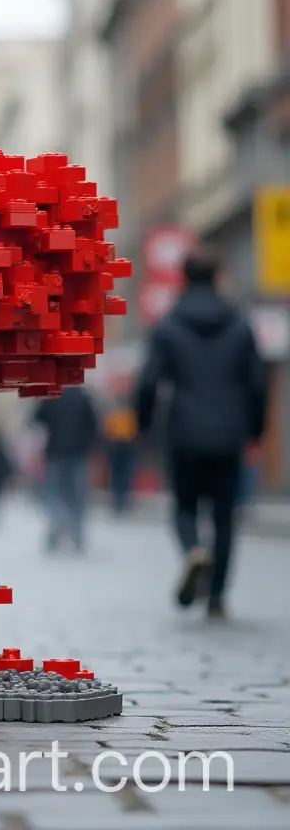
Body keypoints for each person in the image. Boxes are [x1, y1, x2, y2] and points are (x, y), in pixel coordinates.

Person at [135, 248, 267, 620]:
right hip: (229, 432)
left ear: (183, 277)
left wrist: (143, 424)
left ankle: (193, 551)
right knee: (225, 515)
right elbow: (257, 385)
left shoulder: (169, 324)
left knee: (184, 506)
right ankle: (217, 598)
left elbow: (148, 382)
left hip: (184, 431)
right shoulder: (240, 324)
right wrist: (255, 429)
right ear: (218, 276)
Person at [31, 385, 99, 552]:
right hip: (78, 453)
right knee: (77, 495)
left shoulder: (51, 396)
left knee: (54, 492)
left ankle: (57, 523)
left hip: (55, 452)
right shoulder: (84, 397)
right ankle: (77, 533)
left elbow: (36, 419)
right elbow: (94, 425)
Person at [102, 394, 138, 514]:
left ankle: (120, 498)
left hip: (121, 445)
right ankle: (119, 498)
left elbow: (107, 431)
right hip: (122, 445)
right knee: (122, 472)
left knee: (120, 472)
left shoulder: (116, 414)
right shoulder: (128, 414)